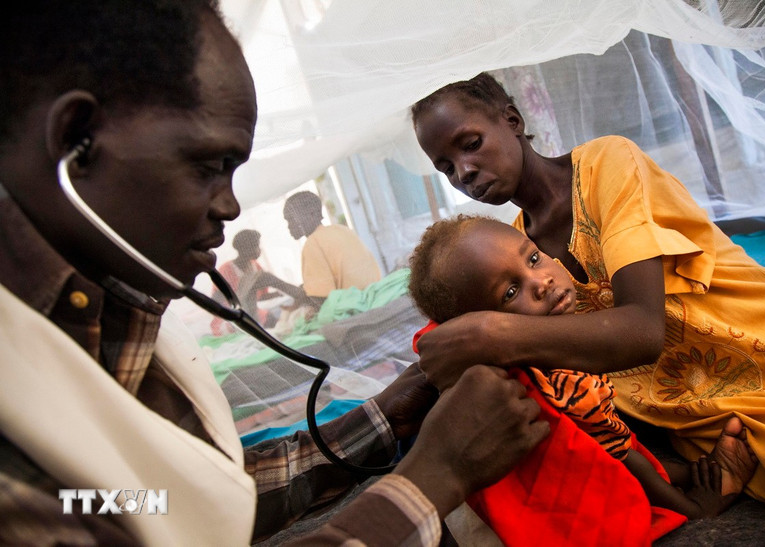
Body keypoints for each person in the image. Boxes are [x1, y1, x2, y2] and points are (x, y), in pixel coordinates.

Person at [0, 6, 551, 545]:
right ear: (76, 141)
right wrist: (434, 477)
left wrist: (383, 418)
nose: (230, 207)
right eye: (209, 166)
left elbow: (167, 502)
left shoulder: (115, 318)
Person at [411, 72, 765, 530]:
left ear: (512, 120)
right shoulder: (513, 253)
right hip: (701, 413)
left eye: (470, 144)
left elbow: (643, 331)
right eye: (446, 168)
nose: (464, 172)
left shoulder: (606, 164)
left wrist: (489, 332)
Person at [408, 214, 758, 520]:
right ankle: (695, 508)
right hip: (596, 472)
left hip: (605, 441)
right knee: (625, 455)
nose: (541, 282)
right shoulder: (549, 383)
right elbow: (614, 452)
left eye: (533, 258)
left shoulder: (557, 344)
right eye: (511, 293)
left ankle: (685, 473)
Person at [283, 190, 382, 305]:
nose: (289, 226)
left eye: (291, 219)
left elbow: (321, 298)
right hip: (376, 296)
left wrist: (278, 284)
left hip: (354, 307)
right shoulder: (341, 230)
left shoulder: (312, 244)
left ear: (312, 214)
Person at [209, 229, 311, 335]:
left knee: (278, 322)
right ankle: (305, 295)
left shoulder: (254, 267)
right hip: (231, 319)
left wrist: (276, 294)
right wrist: (241, 294)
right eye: (256, 246)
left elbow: (260, 296)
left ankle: (305, 294)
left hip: (253, 314)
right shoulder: (227, 270)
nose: (259, 250)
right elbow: (216, 300)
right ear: (244, 249)